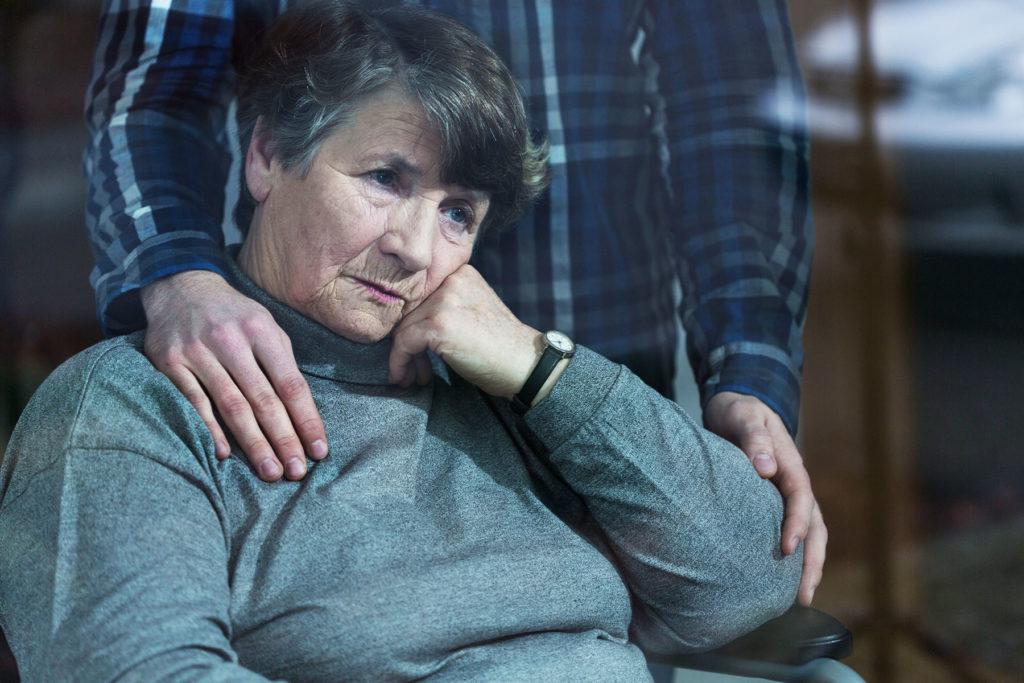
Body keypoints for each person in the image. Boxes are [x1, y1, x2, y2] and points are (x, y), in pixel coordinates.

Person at [0, 4, 801, 679]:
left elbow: (750, 580)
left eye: (459, 213)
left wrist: (541, 369)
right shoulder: (129, 408)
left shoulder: (508, 389)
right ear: (268, 154)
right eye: (386, 178)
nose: (418, 249)